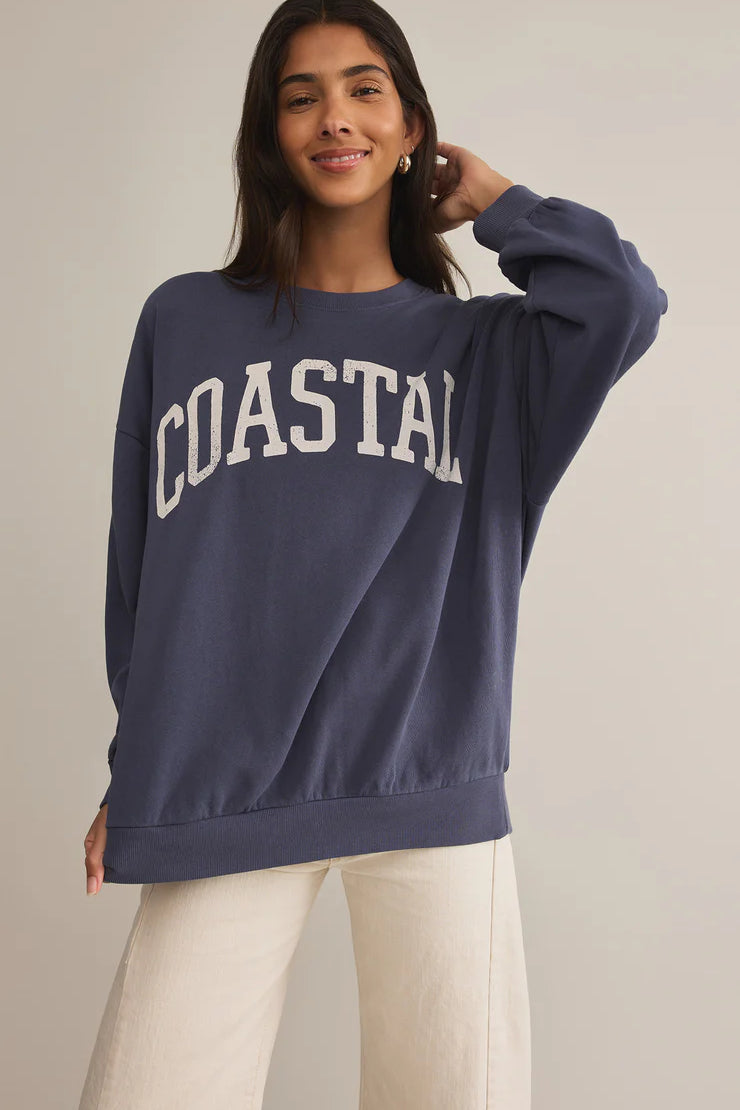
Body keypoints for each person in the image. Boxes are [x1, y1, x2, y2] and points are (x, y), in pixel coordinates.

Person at [78, 1, 668, 1107]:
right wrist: (134, 766)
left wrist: (494, 203)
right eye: (299, 97)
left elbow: (623, 300)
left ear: (411, 128)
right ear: (269, 136)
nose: (334, 118)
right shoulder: (185, 322)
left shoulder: (489, 354)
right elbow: (140, 573)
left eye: (364, 90)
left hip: (427, 783)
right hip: (223, 783)